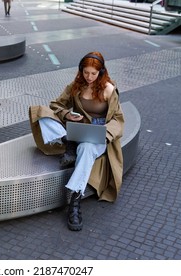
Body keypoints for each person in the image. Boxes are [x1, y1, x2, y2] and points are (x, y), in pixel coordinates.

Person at [29, 51, 125, 231]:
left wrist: (104, 134)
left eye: (93, 74)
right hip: (75, 129)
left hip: (97, 136)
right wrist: (67, 114)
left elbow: (118, 119)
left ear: (102, 72)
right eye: (86, 72)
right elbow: (55, 105)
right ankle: (69, 142)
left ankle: (74, 200)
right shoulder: (75, 86)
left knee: (87, 148)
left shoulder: (109, 90)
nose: (89, 77)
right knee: (42, 113)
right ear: (81, 71)